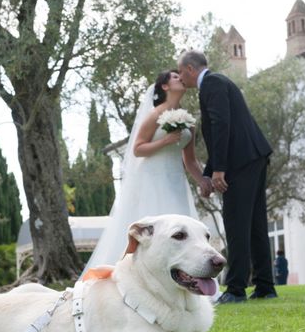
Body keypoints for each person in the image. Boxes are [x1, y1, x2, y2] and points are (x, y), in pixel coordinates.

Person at [82, 70, 210, 272]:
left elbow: (190, 160)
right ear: (165, 86)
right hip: (152, 179)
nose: (181, 79)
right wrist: (166, 141)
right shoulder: (155, 114)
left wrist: (203, 181)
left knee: (180, 227)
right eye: (175, 77)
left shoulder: (188, 120)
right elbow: (137, 149)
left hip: (176, 181)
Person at [178, 50, 277, 303]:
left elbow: (222, 125)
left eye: (181, 72)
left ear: (190, 68)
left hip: (240, 162)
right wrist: (210, 172)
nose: (181, 78)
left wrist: (220, 169)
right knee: (254, 224)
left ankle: (235, 289)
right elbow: (220, 132)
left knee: (236, 224)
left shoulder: (212, 84)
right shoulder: (218, 83)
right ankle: (265, 285)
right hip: (251, 157)